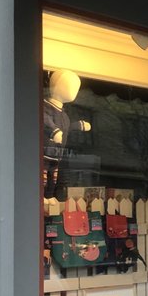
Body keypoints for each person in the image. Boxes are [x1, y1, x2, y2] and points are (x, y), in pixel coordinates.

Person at [43, 69, 90, 199]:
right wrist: (54, 131)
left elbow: (67, 129)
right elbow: (45, 120)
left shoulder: (64, 116)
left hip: (57, 154)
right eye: (71, 85)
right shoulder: (45, 107)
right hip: (45, 152)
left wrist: (79, 125)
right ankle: (42, 196)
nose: (74, 90)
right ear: (57, 86)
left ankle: (49, 196)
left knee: (53, 177)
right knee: (43, 175)